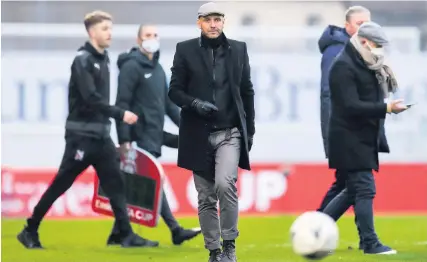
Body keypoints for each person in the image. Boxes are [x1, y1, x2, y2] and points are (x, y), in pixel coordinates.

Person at [17, 11, 150, 249]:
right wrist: (121, 114)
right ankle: (30, 229)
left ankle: (125, 234)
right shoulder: (82, 60)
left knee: (116, 183)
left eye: (110, 28)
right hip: (81, 137)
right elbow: (90, 99)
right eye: (104, 29)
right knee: (62, 183)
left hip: (101, 136)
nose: (110, 33)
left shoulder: (104, 59)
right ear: (92, 32)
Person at [168, 2, 255, 262]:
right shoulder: (184, 50)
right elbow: (174, 91)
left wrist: (249, 131)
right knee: (205, 196)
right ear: (199, 23)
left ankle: (229, 245)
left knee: (224, 184)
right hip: (197, 134)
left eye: (217, 19)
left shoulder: (239, 49)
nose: (213, 24)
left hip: (230, 133)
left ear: (224, 22)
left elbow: (247, 91)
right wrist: (195, 103)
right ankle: (214, 251)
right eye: (208, 20)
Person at [109, 24, 201, 247]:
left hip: (153, 134)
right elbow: (122, 104)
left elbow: (170, 106)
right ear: (139, 39)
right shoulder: (131, 68)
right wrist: (124, 140)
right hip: (137, 137)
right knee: (152, 184)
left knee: (139, 186)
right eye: (148, 35)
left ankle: (118, 234)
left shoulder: (158, 69)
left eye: (155, 35)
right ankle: (175, 229)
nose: (152, 38)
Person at [325, 21, 406, 255]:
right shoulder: (343, 66)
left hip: (361, 137)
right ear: (364, 42)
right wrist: (386, 108)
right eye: (377, 45)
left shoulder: (363, 63)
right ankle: (370, 243)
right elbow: (350, 106)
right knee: (365, 188)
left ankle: (316, 226)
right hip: (349, 138)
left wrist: (387, 107)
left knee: (353, 191)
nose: (380, 50)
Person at [317, 6, 377, 250]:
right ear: (347, 25)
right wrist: (338, 133)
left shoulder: (356, 50)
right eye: (360, 23)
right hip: (343, 131)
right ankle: (368, 241)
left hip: (349, 130)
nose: (365, 28)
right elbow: (328, 95)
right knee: (358, 184)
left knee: (346, 183)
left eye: (368, 23)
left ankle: (314, 228)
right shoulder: (337, 51)